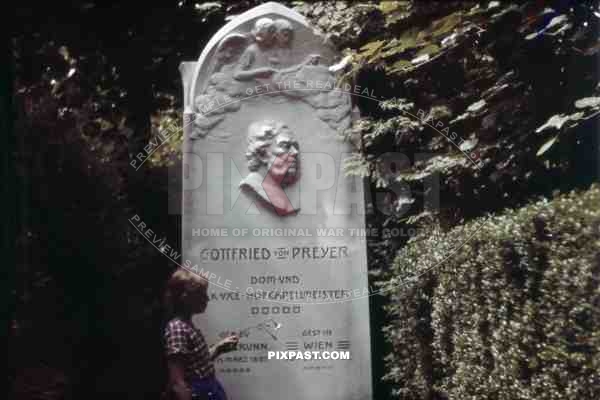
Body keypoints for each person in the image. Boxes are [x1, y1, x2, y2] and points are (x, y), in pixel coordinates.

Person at [163, 269, 239, 400]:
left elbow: (196, 367)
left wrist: (218, 348)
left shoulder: (187, 325)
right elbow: (178, 382)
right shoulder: (177, 328)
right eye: (202, 294)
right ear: (186, 297)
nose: (207, 299)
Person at [239, 119, 300, 216]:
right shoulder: (251, 186)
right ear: (262, 154)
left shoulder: (282, 196)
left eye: (294, 147)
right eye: (285, 146)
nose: (295, 152)